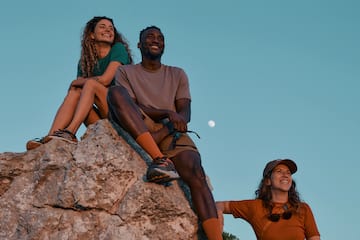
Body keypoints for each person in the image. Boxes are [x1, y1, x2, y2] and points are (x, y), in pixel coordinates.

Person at [107, 26, 223, 240]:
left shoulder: (177, 73)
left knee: (195, 171)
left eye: (160, 38)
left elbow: (185, 112)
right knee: (115, 92)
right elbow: (131, 106)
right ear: (140, 45)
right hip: (140, 122)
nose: (156, 40)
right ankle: (158, 159)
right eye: (150, 36)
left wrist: (170, 125)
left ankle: (216, 238)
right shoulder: (126, 72)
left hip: (172, 131)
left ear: (164, 45)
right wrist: (167, 112)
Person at [26, 16, 133, 150]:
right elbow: (76, 89)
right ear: (92, 35)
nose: (108, 30)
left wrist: (77, 81)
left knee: (89, 85)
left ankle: (71, 132)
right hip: (102, 121)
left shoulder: (118, 49)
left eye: (111, 28)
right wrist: (77, 83)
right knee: (76, 91)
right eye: (102, 27)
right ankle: (52, 135)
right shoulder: (86, 61)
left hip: (120, 115)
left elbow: (105, 79)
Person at [216, 159, 321, 240]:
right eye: (279, 171)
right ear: (267, 181)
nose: (285, 175)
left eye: (288, 173)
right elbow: (218, 205)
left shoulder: (303, 209)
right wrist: (218, 216)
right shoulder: (255, 207)